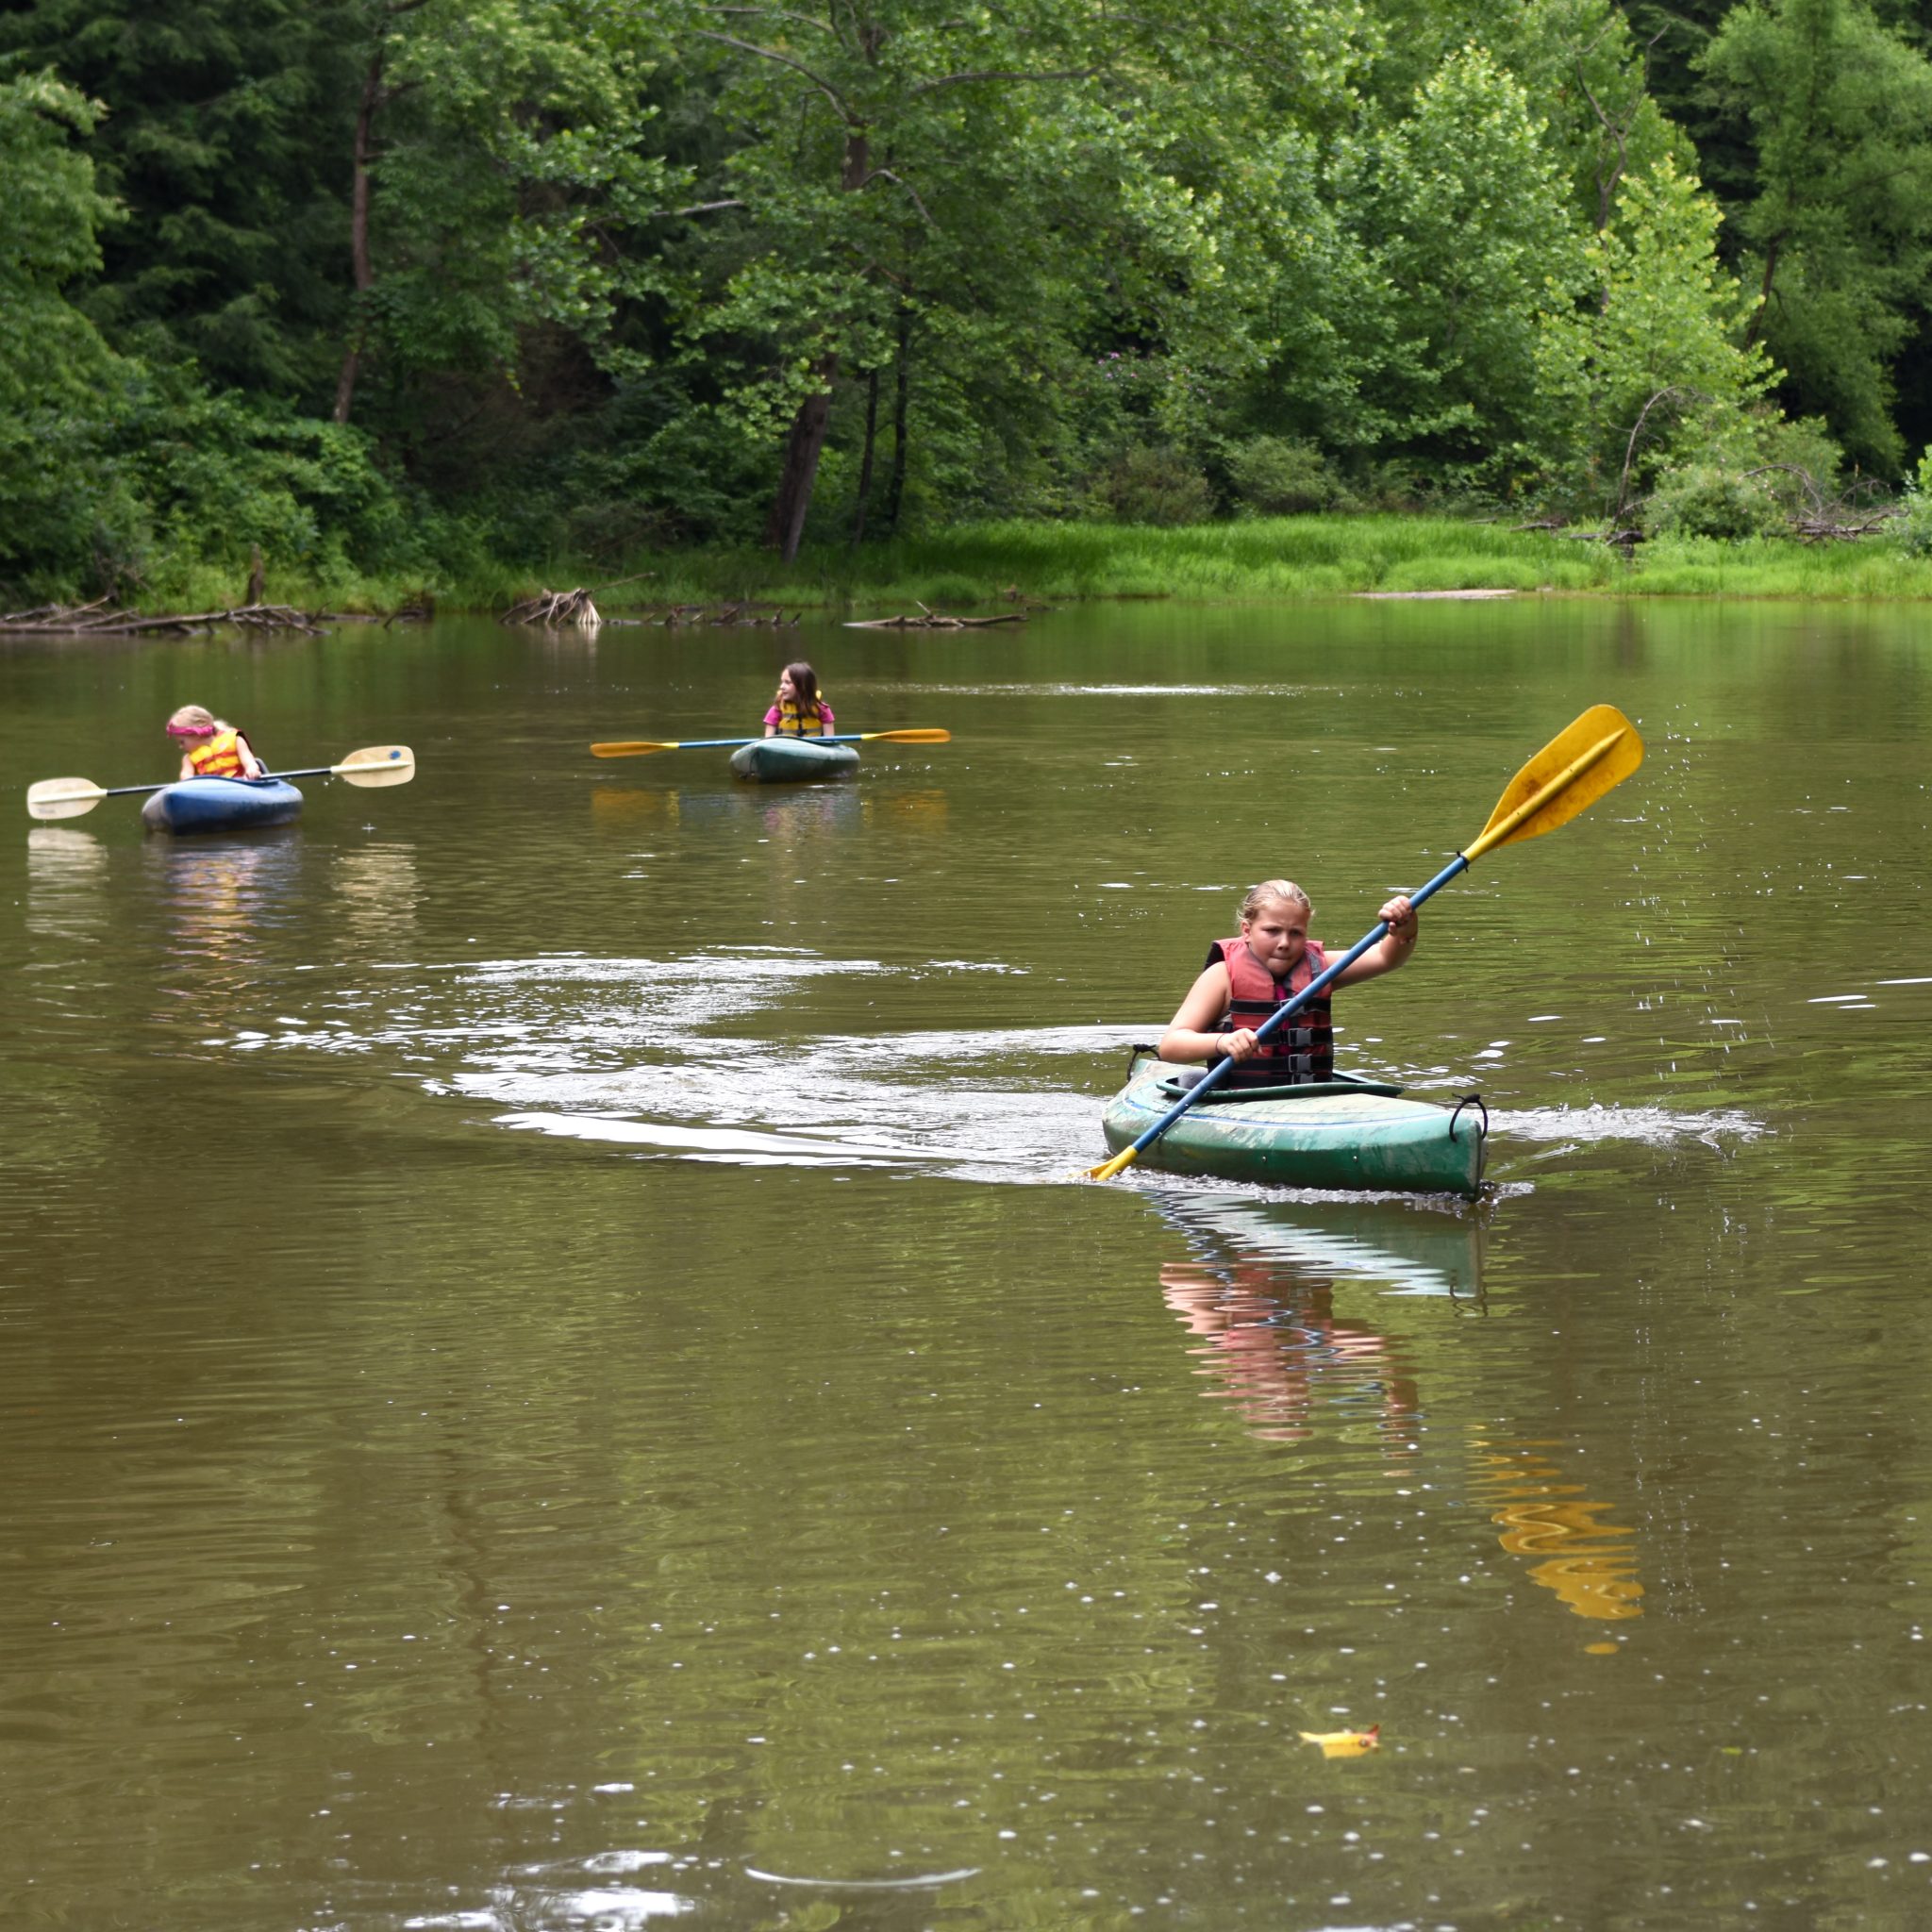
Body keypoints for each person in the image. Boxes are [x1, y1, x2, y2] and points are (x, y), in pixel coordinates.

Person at [1158, 877, 1419, 1087]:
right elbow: (1170, 1046)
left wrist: (1405, 928)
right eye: (1272, 931)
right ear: (1246, 930)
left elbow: (1386, 958)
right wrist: (1221, 1042)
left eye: (1296, 933)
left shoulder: (1322, 969)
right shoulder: (1221, 976)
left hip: (1310, 1099)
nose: (1284, 943)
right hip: (1238, 1102)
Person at [166, 705, 265, 779]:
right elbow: (186, 775)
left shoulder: (236, 739)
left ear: (196, 735)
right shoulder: (188, 759)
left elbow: (249, 762)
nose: (180, 747)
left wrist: (252, 770)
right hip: (211, 792)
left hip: (241, 785)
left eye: (182, 742)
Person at [763, 662, 835, 739]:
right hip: (786, 748)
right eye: (782, 682)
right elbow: (767, 741)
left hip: (814, 748)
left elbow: (830, 741)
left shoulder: (822, 709)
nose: (781, 687)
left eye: (787, 682)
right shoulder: (777, 709)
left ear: (802, 686)